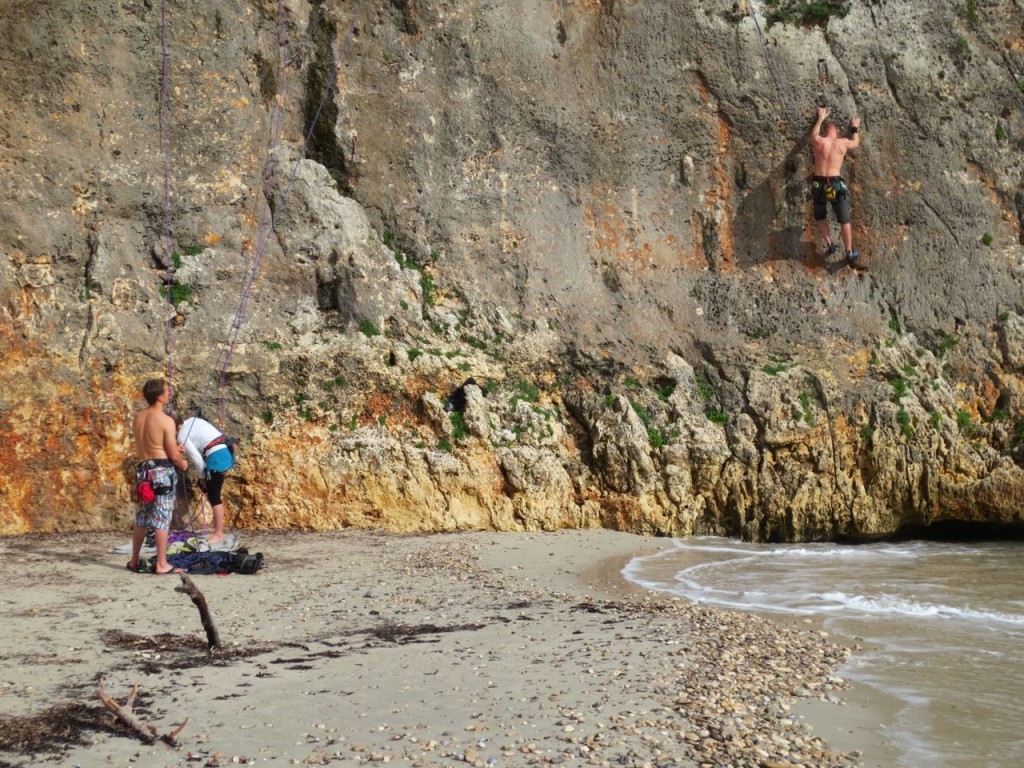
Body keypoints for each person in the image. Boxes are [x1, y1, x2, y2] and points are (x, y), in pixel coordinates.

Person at [129, 378, 188, 574]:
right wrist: (182, 462)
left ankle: (134, 560)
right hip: (162, 472)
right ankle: (162, 564)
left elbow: (153, 444)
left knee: (143, 517)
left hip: (144, 471)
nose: (169, 394)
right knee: (162, 517)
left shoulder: (138, 418)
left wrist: (173, 451)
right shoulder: (166, 420)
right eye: (167, 391)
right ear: (160, 397)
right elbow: (172, 453)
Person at [810, 105, 863, 268]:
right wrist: (855, 128)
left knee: (819, 216)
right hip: (835, 183)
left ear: (825, 130)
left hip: (819, 183)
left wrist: (820, 118)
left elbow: (813, 135)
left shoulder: (820, 141)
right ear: (838, 131)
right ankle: (849, 251)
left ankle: (830, 243)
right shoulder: (842, 142)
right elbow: (856, 143)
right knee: (844, 219)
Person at [176, 409, 235, 544]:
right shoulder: (192, 421)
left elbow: (196, 459)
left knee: (214, 497)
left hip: (216, 456)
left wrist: (202, 478)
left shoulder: (181, 434)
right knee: (211, 492)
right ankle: (218, 527)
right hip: (224, 451)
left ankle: (219, 534)